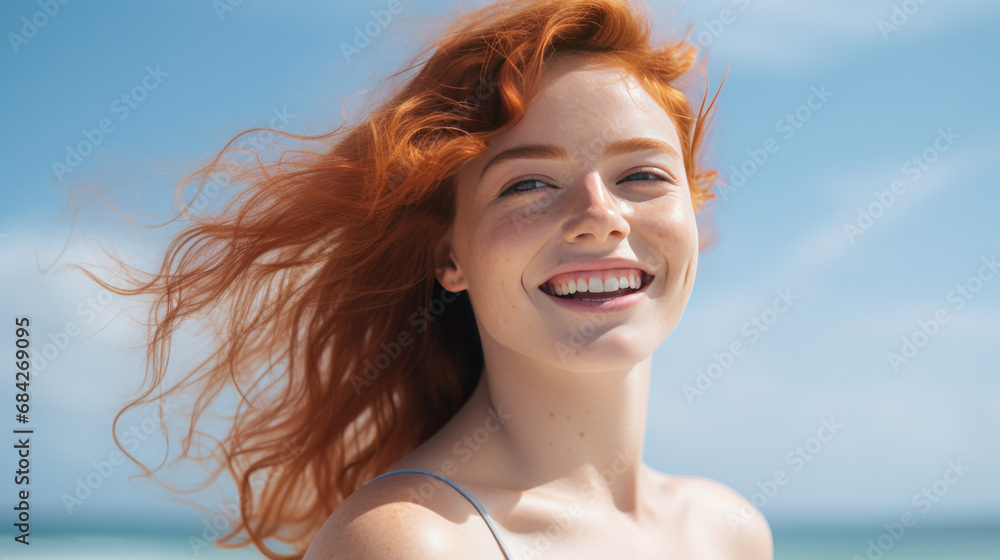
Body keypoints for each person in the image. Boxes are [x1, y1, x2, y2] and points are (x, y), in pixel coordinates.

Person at [81, 0, 771, 558]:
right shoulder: (411, 542)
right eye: (529, 183)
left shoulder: (729, 531)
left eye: (642, 175)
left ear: (695, 204)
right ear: (451, 258)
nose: (601, 217)